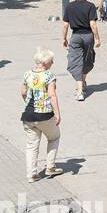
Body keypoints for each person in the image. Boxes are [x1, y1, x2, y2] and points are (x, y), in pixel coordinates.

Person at [21, 48, 63, 182]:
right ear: (45, 62)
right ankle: (50, 166)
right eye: (51, 60)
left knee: (31, 145)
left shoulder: (27, 74)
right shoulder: (49, 76)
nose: (53, 63)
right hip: (44, 114)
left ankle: (31, 174)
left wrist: (28, 104)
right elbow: (52, 95)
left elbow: (23, 92)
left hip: (28, 115)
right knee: (54, 137)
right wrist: (57, 113)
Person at [62, 0, 101, 102]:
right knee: (87, 58)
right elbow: (93, 24)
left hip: (76, 36)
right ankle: (82, 82)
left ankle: (80, 90)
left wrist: (64, 38)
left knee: (75, 60)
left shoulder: (70, 6)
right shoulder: (90, 6)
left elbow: (65, 24)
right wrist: (97, 38)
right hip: (88, 36)